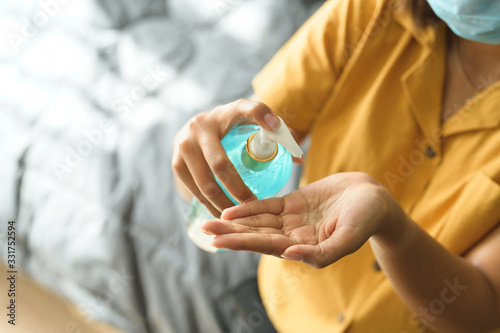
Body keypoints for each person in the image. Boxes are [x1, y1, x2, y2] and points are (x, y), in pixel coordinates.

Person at [172, 0, 500, 331]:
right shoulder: (369, 12)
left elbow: (483, 319)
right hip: (282, 308)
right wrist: (199, 158)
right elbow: (250, 144)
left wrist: (392, 229)